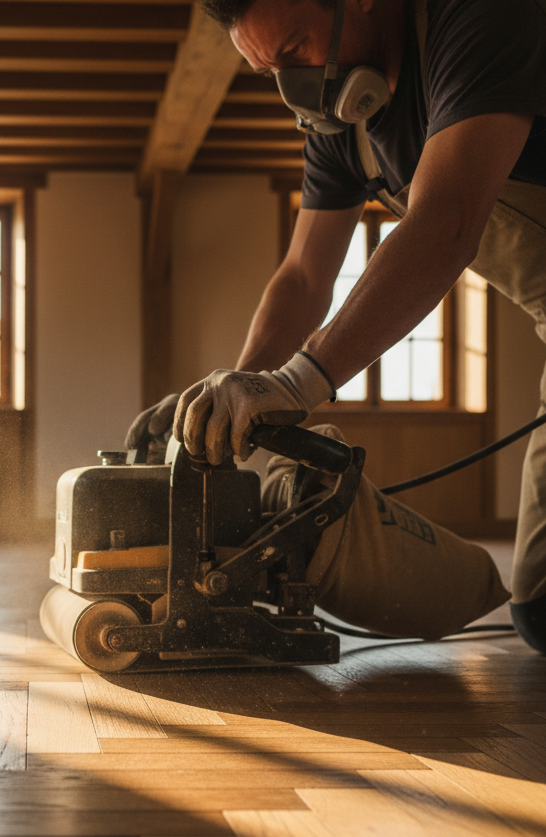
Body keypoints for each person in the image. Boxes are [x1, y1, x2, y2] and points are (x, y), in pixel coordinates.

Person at [128, 0, 546, 652]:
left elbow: (446, 221)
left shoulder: (478, 19)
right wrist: (237, 394)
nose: (292, 86)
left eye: (295, 50)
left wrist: (299, 383)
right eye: (270, 72)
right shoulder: (343, 129)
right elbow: (302, 277)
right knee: (540, 613)